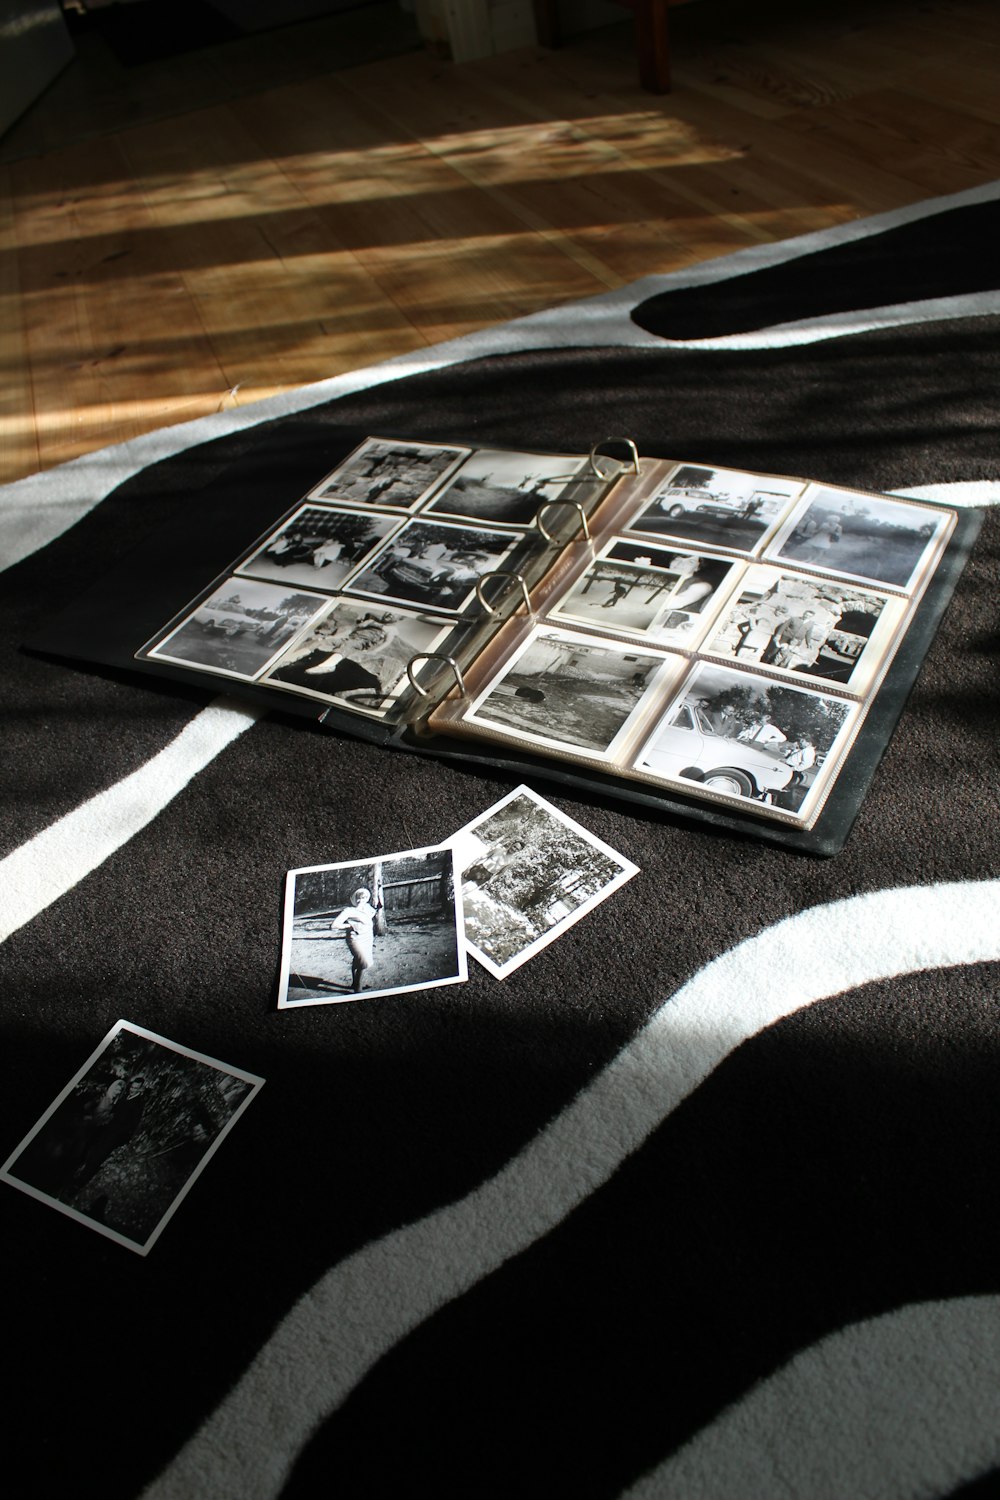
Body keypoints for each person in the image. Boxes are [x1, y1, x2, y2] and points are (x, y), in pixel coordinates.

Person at [330, 887, 378, 993]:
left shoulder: (368, 908)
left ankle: (354, 984)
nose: (362, 900)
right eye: (359, 898)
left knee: (358, 961)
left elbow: (374, 912)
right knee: (364, 962)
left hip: (367, 938)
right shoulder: (349, 911)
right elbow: (334, 925)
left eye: (365, 897)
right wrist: (350, 926)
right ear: (355, 899)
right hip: (355, 939)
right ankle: (358, 989)